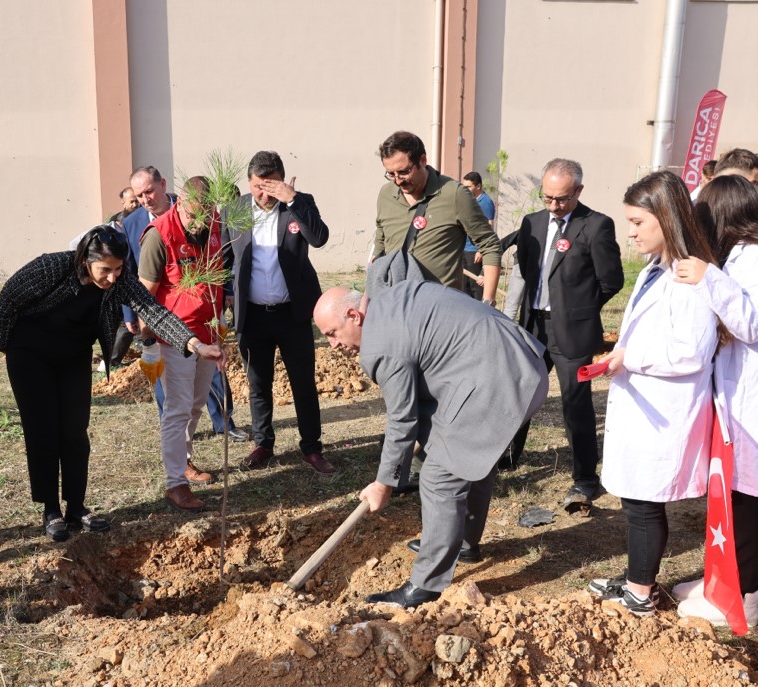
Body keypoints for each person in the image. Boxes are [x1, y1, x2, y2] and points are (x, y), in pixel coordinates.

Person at [315, 282, 547, 606]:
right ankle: (462, 544)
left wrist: (384, 484)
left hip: (498, 380)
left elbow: (402, 419)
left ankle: (426, 585)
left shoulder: (380, 345)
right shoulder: (388, 301)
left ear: (354, 315)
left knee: (439, 478)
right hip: (519, 363)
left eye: (332, 333)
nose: (333, 345)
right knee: (469, 458)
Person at [0, 225, 221, 537]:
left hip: (73, 356)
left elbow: (155, 312)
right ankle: (51, 510)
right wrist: (8, 346)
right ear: (86, 261)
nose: (112, 277)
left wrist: (196, 345)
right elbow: (8, 300)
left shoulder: (120, 281)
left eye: (118, 269)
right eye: (105, 270)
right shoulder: (50, 267)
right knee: (43, 430)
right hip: (30, 356)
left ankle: (76, 507)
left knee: (74, 430)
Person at [668, 174, 758, 628]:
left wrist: (709, 278)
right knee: (729, 490)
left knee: (746, 497)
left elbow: (754, 324)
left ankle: (744, 595)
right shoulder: (741, 256)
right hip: (738, 393)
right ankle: (720, 580)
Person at [588, 170, 721, 617]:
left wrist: (631, 357)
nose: (631, 233)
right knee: (636, 499)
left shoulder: (688, 276)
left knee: (644, 504)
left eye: (638, 222)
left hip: (665, 411)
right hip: (644, 403)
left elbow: (691, 352)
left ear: (667, 217)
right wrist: (621, 356)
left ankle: (640, 594)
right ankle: (635, 580)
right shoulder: (656, 268)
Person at [506, 158, 625, 513]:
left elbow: (612, 280)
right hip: (534, 327)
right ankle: (507, 457)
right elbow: (527, 270)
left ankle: (585, 477)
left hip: (571, 330)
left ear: (579, 191)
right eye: (547, 197)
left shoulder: (596, 225)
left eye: (562, 198)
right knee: (518, 393)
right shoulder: (532, 223)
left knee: (575, 404)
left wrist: (579, 309)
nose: (554, 205)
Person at [226, 150, 334, 475]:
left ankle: (311, 448)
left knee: (303, 383)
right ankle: (263, 444)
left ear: (282, 181)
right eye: (258, 186)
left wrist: (293, 200)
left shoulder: (299, 204)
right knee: (258, 383)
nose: (264, 193)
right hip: (253, 316)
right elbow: (222, 259)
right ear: (249, 183)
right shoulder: (234, 210)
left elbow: (319, 238)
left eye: (271, 185)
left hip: (292, 313)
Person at [138, 176, 232, 512]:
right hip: (174, 336)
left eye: (205, 216)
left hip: (208, 331)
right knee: (177, 408)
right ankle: (174, 482)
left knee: (195, 404)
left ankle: (185, 461)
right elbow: (144, 295)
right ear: (180, 204)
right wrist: (147, 340)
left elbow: (220, 277)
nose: (198, 224)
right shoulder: (159, 235)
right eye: (192, 216)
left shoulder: (215, 225)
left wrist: (221, 323)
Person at [125, 166, 242, 438]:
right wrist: (146, 337)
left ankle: (222, 424)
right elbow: (136, 282)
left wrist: (222, 301)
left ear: (163, 185)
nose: (145, 199)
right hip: (171, 329)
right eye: (139, 195)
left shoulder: (207, 216)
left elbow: (221, 261)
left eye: (149, 191)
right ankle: (177, 450)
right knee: (175, 404)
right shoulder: (140, 226)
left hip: (208, 323)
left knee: (200, 395)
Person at [371, 130, 501, 298]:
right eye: (390, 174)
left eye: (403, 172)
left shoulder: (454, 194)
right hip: (395, 303)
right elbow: (380, 242)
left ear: (422, 161)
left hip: (439, 306)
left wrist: (488, 300)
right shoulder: (386, 194)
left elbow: (490, 245)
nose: (397, 180)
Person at [460, 171, 496, 301]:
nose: (465, 189)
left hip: (474, 251)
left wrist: (481, 250)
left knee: (475, 286)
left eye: (468, 186)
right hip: (465, 248)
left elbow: (489, 226)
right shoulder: (470, 200)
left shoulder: (485, 202)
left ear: (478, 186)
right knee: (464, 286)